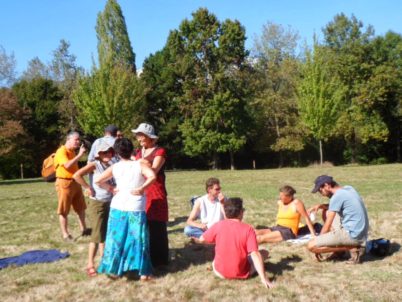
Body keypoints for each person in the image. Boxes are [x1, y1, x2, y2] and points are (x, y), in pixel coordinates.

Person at [95, 138, 156, 280]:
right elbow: (152, 176)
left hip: (117, 206)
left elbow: (98, 181)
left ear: (117, 153)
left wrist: (110, 188)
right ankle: (144, 273)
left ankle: (115, 270)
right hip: (136, 206)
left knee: (116, 238)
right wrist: (142, 188)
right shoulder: (139, 165)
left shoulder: (115, 167)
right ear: (132, 150)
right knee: (138, 239)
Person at [193, 198, 274, 289]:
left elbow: (202, 239)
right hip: (242, 273)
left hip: (219, 273)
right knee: (264, 253)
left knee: (216, 258)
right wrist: (263, 278)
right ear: (241, 212)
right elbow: (254, 253)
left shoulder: (218, 225)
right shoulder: (248, 229)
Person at [73, 141, 115, 277]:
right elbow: (76, 175)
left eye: (109, 151)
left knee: (105, 234)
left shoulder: (111, 165)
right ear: (98, 154)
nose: (107, 154)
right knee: (97, 235)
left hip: (110, 202)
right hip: (97, 203)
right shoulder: (94, 165)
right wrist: (87, 187)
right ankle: (90, 264)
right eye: (104, 152)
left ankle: (104, 262)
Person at [307, 175, 369, 264]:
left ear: (327, 185)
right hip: (361, 232)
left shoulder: (337, 197)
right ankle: (340, 251)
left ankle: (354, 247)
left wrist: (319, 243)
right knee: (326, 211)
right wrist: (321, 206)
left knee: (311, 246)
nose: (321, 193)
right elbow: (338, 205)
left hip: (353, 234)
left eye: (320, 190)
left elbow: (328, 224)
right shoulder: (348, 188)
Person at [132, 122, 169, 267]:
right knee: (144, 226)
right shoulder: (138, 152)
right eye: (138, 135)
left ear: (149, 136)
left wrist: (140, 162)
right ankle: (146, 258)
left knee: (157, 227)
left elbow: (153, 171)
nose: (139, 138)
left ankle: (160, 261)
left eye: (141, 135)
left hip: (156, 192)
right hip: (142, 191)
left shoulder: (159, 151)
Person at [54, 131, 88, 241]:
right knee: (64, 210)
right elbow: (67, 165)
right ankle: (65, 234)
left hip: (75, 182)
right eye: (76, 140)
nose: (78, 142)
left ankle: (84, 229)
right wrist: (79, 155)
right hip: (64, 183)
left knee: (81, 207)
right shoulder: (61, 151)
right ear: (68, 140)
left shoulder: (72, 151)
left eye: (79, 139)